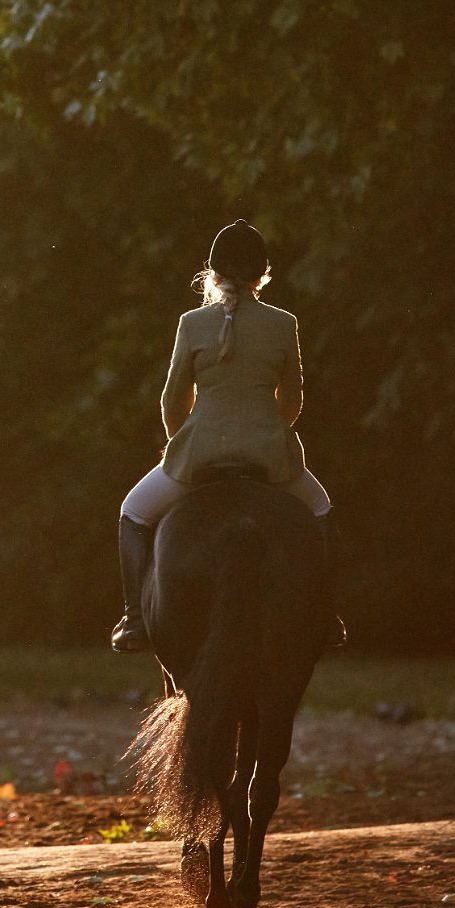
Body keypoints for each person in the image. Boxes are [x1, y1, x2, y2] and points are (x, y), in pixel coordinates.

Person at [111, 221, 342, 653]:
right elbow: (292, 402)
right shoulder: (283, 324)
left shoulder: (192, 323)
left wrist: (183, 443)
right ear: (262, 274)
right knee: (322, 512)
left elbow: (171, 401)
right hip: (269, 458)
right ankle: (328, 618)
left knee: (133, 514)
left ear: (213, 274)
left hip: (199, 458)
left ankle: (136, 621)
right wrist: (268, 433)